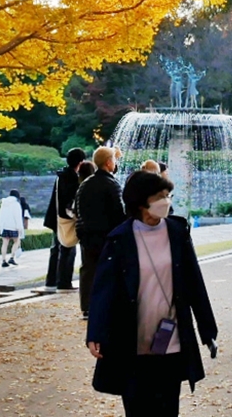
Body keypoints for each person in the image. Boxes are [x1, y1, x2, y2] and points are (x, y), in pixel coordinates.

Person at [86, 171, 218, 417]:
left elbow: (194, 283)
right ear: (140, 201)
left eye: (168, 195)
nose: (166, 201)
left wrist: (208, 330)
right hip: (132, 338)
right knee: (137, 407)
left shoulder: (177, 233)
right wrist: (96, 332)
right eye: (159, 196)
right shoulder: (119, 238)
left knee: (168, 407)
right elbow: (104, 289)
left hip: (171, 335)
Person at [77, 147, 127, 319]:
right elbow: (119, 213)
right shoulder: (111, 184)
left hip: (87, 236)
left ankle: (87, 307)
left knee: (88, 271)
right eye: (114, 159)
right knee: (108, 272)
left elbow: (79, 211)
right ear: (108, 162)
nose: (115, 163)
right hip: (106, 236)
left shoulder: (85, 184)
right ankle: (106, 305)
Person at [44, 148, 87, 290]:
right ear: (80, 163)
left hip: (55, 217)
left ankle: (51, 281)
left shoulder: (61, 175)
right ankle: (64, 282)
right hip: (65, 219)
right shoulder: (73, 178)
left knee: (56, 248)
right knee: (68, 249)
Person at [0, 190, 25, 267]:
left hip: (4, 226)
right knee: (16, 241)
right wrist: (20, 228)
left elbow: (0, 215)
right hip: (13, 227)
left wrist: (0, 226)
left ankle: (3, 260)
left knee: (4, 243)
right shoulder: (16, 204)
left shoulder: (3, 203)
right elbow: (18, 217)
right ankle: (12, 258)